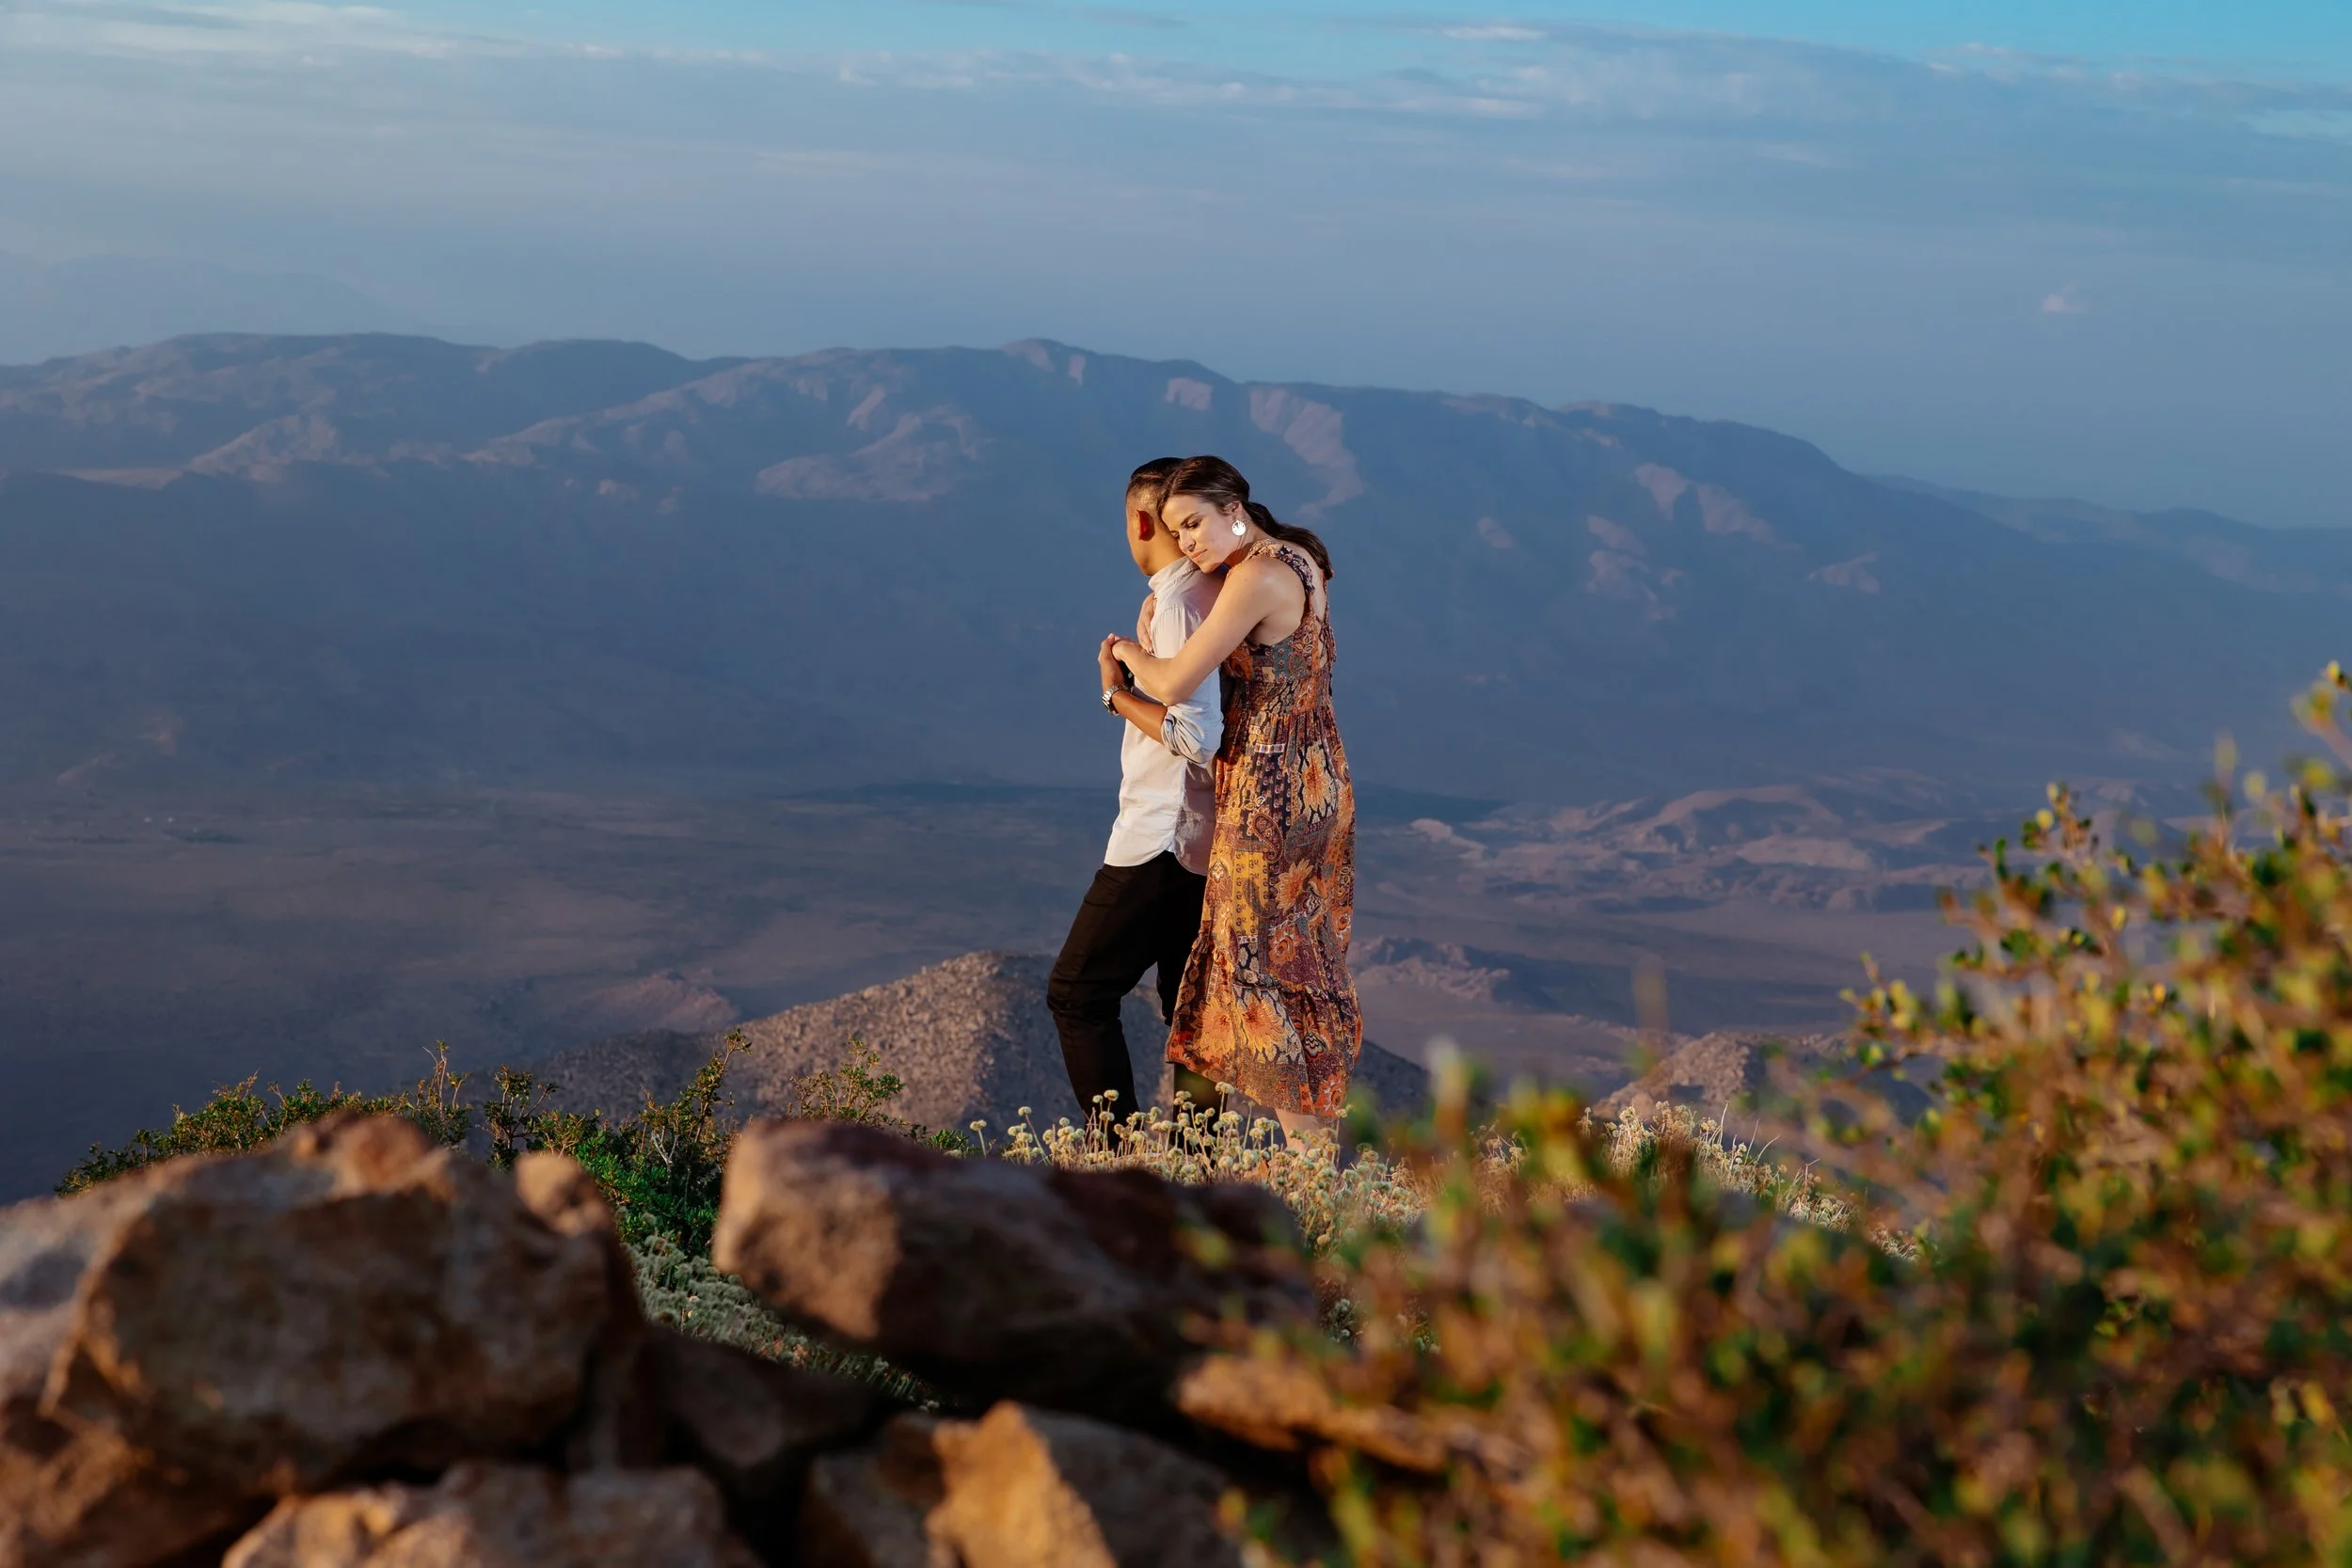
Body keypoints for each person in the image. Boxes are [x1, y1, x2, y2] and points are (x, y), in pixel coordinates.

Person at [1107, 454, 1359, 1137]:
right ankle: (1308, 1148)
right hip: (1320, 781)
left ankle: (1307, 1163)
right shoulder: (1301, 555)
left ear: (1233, 509)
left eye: (1194, 524)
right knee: (1300, 960)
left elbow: (1172, 681)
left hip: (1268, 796)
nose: (1187, 543)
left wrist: (1125, 655)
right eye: (1176, 531)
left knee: (1259, 974)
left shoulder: (1254, 578)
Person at [1047, 457, 1226, 1122]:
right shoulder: (1212, 592)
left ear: (1141, 521)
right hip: (1204, 841)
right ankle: (1195, 1173)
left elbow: (1194, 735)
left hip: (1160, 835)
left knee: (1076, 993)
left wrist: (1115, 694)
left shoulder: (1179, 602)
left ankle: (1117, 1165)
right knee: (1192, 1011)